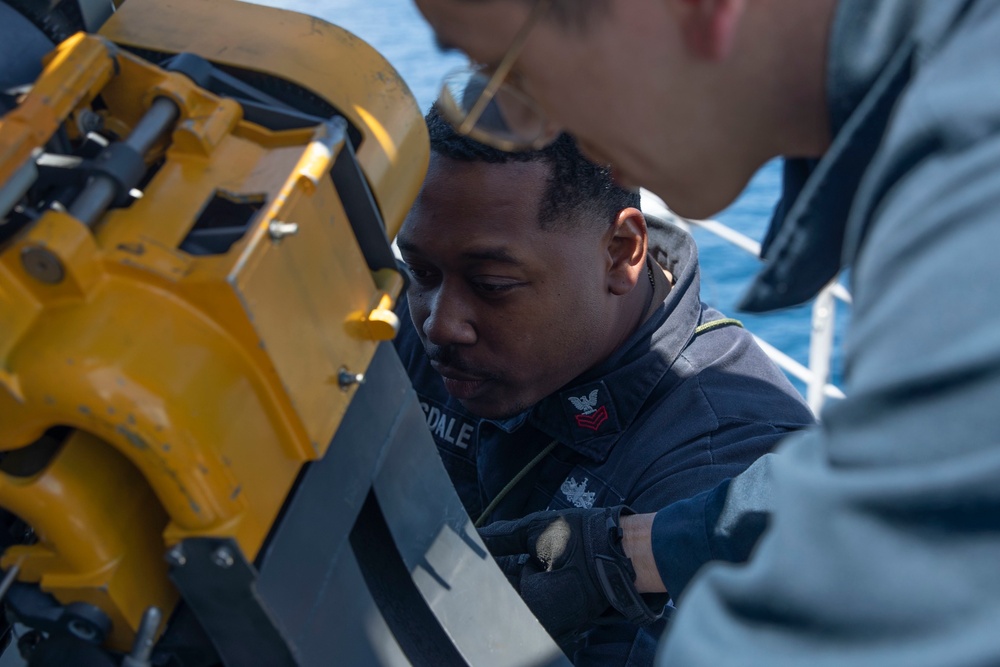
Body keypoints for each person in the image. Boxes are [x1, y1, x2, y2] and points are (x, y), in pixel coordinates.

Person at [412, 0, 1000, 665]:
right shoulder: (943, 131)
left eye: (518, 78)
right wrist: (635, 550)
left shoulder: (978, 181)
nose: (522, 126)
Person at [393, 106, 814, 665]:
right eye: (421, 273)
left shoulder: (721, 463)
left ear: (622, 253)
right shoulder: (404, 324)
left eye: (493, 284)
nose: (440, 324)